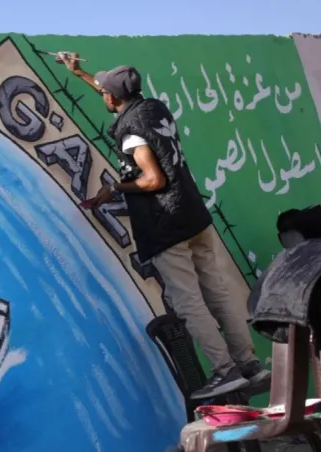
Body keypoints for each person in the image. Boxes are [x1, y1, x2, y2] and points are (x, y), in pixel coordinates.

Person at [60, 56, 271, 399]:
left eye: (104, 93)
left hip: (166, 225)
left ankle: (225, 372)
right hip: (194, 216)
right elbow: (110, 93)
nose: (103, 96)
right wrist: (78, 73)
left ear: (113, 99)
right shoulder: (153, 109)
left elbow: (153, 179)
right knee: (217, 291)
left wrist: (114, 188)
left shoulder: (130, 133)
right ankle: (248, 364)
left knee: (187, 301)